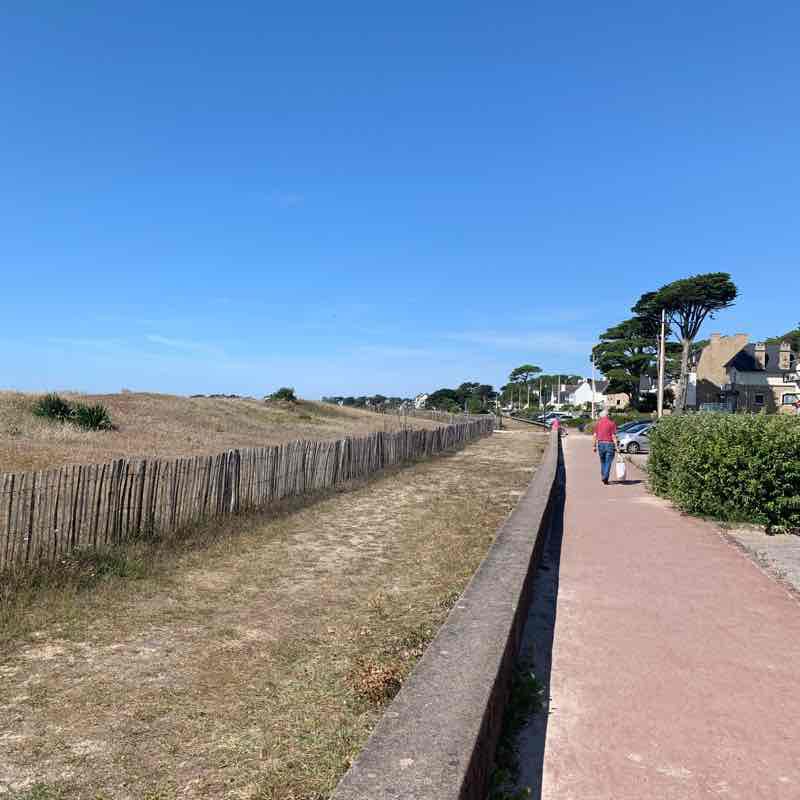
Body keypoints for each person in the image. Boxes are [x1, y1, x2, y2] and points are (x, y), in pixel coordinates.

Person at [592, 409, 619, 485]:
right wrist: (616, 447)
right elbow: (614, 436)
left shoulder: (597, 424)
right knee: (608, 462)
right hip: (609, 444)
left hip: (600, 444)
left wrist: (594, 446)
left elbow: (594, 435)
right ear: (607, 415)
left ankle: (604, 476)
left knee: (602, 461)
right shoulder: (612, 423)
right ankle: (605, 477)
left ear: (602, 416)